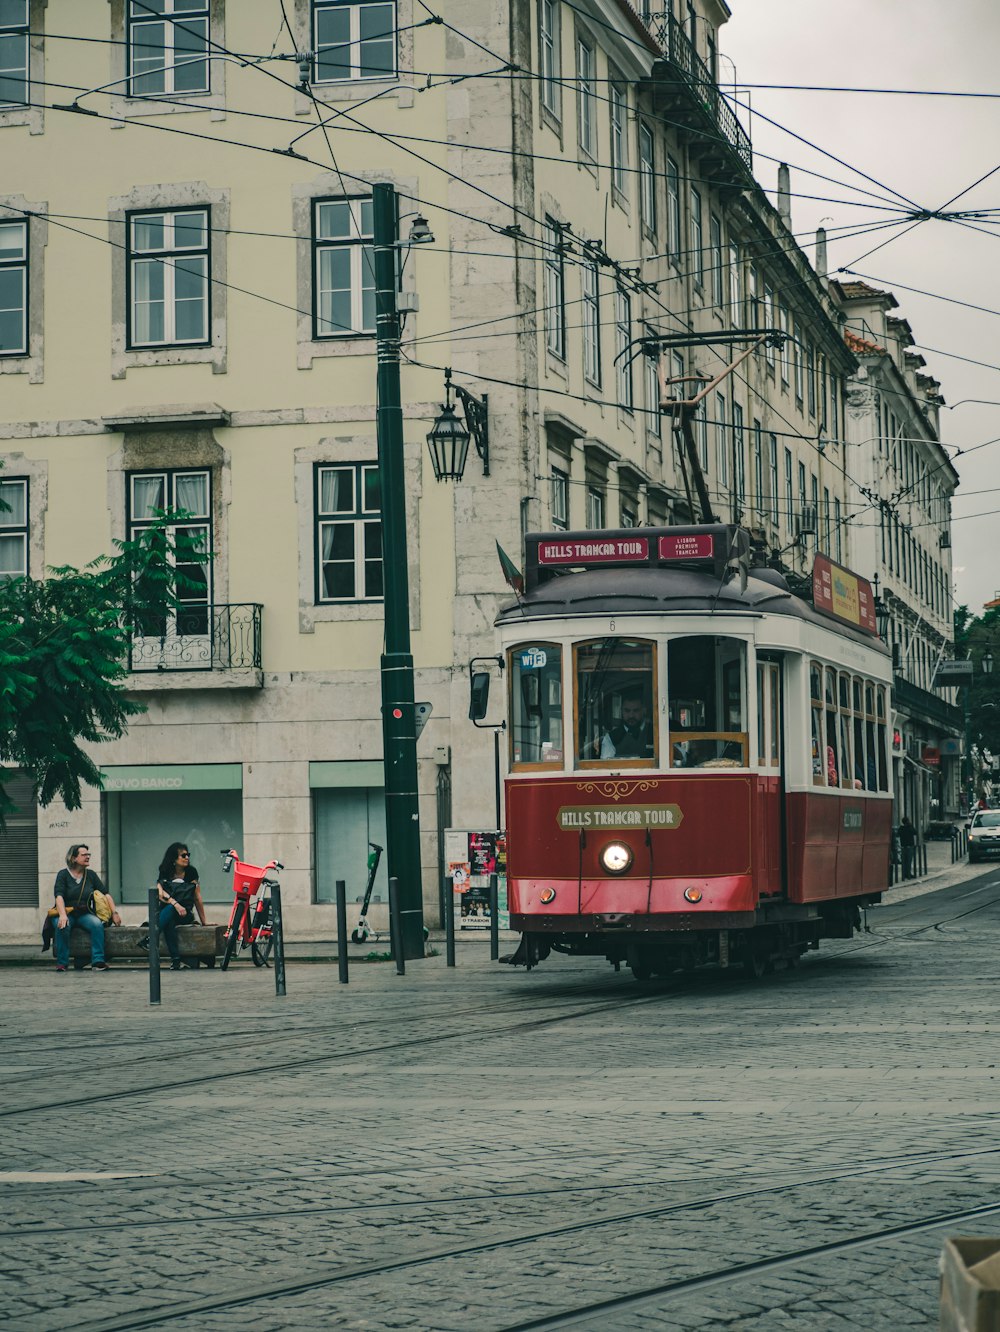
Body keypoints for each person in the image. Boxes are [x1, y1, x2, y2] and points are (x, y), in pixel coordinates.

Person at [52, 844, 121, 973]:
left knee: (96, 924)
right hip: (66, 912)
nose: (87, 857)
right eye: (84, 855)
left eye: (88, 854)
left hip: (84, 914)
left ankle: (98, 961)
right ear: (73, 858)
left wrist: (114, 912)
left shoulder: (90, 875)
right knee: (62, 925)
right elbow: (59, 896)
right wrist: (62, 915)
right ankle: (62, 963)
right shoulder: (63, 875)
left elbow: (106, 894)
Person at [156, 842, 208, 970]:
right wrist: (175, 904)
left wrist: (204, 922)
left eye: (188, 855)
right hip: (168, 911)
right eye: (183, 855)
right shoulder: (165, 871)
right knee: (169, 920)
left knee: (170, 916)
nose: (187, 858)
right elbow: (160, 893)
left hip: (185, 913)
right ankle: (176, 960)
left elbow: (197, 897)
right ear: (174, 859)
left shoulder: (191, 872)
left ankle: (151, 938)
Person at [600, 695, 655, 760]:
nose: (631, 715)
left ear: (643, 711)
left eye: (636, 710)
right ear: (621, 711)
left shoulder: (656, 733)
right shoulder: (611, 738)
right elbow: (606, 766)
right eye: (627, 711)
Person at [898, 815, 917, 880]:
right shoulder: (910, 828)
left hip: (903, 847)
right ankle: (908, 874)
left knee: (904, 861)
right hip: (909, 847)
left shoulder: (901, 828)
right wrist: (911, 825)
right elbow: (915, 832)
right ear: (907, 822)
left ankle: (904, 875)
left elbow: (898, 834)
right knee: (909, 861)